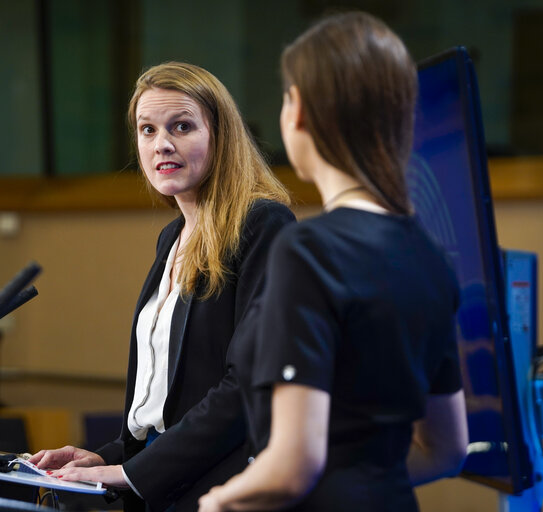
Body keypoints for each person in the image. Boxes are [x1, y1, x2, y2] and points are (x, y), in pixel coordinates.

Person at [198, 11, 468, 512]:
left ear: (296, 109)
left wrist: (216, 503)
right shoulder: (431, 258)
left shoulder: (309, 251)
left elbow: (293, 466)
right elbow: (448, 450)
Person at [29, 61, 295, 511]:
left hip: (221, 487)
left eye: (182, 126)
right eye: (147, 130)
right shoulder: (171, 238)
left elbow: (247, 386)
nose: (162, 144)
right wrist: (106, 456)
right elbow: (163, 410)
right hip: (167, 483)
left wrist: (130, 474)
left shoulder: (261, 223)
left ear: (221, 135)